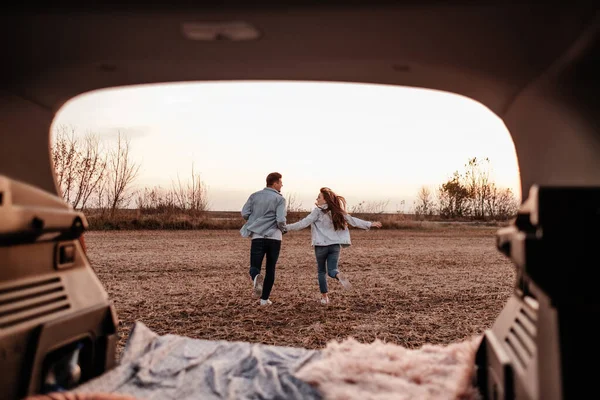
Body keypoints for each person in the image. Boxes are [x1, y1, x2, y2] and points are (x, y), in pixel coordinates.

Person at [284, 187, 382, 304]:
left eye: (319, 197)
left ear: (325, 199)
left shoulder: (317, 212)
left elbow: (302, 224)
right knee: (332, 269)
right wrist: (370, 224)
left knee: (321, 272)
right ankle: (338, 274)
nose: (317, 199)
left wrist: (285, 228)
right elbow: (353, 221)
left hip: (320, 245)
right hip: (335, 246)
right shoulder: (337, 211)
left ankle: (325, 298)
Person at [240, 172, 287, 306]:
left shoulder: (254, 196)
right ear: (275, 183)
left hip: (258, 236)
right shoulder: (280, 199)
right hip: (275, 238)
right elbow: (280, 220)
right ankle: (264, 299)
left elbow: (244, 213)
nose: (282, 185)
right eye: (280, 182)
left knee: (254, 266)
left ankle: (256, 279)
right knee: (271, 268)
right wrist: (283, 229)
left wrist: (256, 220)